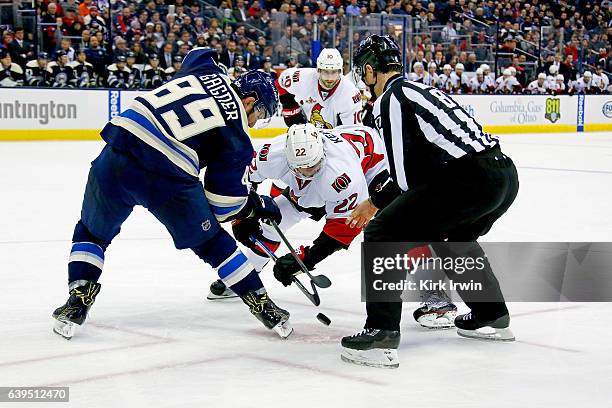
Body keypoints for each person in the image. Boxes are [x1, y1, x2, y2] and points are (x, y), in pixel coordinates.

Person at [51, 48, 293, 341]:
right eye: (260, 114)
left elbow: (198, 53)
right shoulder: (238, 137)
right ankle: (262, 305)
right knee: (213, 242)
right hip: (166, 177)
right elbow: (223, 207)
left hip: (118, 150)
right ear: (250, 101)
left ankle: (77, 301)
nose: (255, 122)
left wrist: (223, 59)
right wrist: (254, 206)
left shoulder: (207, 70)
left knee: (91, 232)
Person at [342, 35, 518, 368]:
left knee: (383, 233)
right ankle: (491, 315)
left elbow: (407, 179)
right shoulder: (419, 89)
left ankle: (381, 333)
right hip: (503, 174)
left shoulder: (390, 99)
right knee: (455, 240)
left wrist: (374, 203)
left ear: (369, 70)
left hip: (469, 179)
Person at [207, 123, 390, 300]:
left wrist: (307, 258)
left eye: (312, 165)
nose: (306, 172)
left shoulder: (343, 175)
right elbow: (243, 178)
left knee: (391, 226)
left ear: (322, 152)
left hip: (374, 164)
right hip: (342, 152)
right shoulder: (272, 153)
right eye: (300, 167)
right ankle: (246, 278)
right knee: (269, 226)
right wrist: (245, 213)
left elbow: (344, 228)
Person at [276, 48, 362, 129]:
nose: (329, 78)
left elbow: (354, 132)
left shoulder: (350, 92)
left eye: (334, 72)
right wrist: (290, 107)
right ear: (318, 70)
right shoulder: (300, 78)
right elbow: (280, 81)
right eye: (325, 72)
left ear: (340, 71)